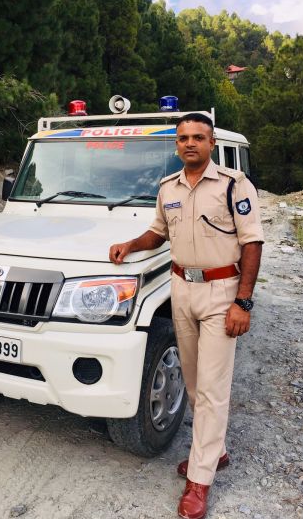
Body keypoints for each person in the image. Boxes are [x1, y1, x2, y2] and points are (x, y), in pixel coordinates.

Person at [109, 113, 264, 519]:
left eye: (198, 137)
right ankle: (217, 452)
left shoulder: (233, 185)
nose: (190, 143)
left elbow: (252, 243)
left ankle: (199, 479)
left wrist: (242, 302)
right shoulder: (168, 188)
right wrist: (130, 244)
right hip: (182, 289)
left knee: (212, 388)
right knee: (193, 381)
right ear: (176, 146)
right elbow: (158, 232)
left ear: (211, 143)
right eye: (183, 138)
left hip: (220, 292)